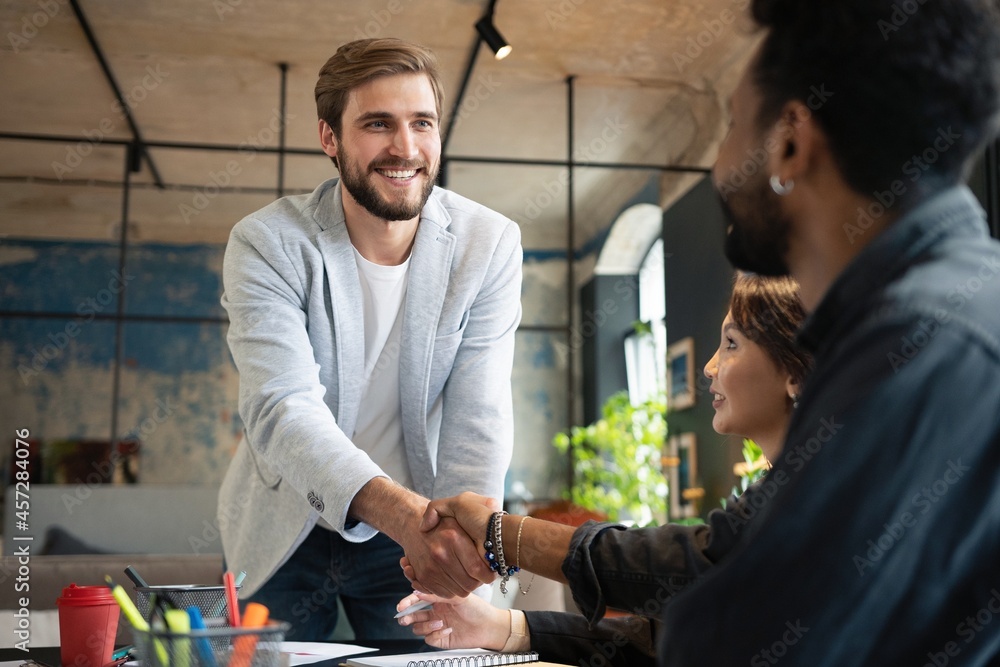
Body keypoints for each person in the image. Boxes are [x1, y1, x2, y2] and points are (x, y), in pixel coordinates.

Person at [412, 0, 1000, 662]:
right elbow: (719, 556)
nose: (719, 164)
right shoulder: (932, 320)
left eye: (730, 126)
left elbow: (738, 629)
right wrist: (502, 541)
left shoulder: (918, 346)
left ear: (788, 143)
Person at [217, 37, 522, 640]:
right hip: (284, 524)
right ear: (330, 138)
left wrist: (469, 558)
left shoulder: (489, 244)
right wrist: (409, 517)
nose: (405, 148)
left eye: (422, 123)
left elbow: (478, 413)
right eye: (378, 124)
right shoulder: (267, 244)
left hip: (412, 537)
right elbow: (283, 409)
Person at [396, 273, 813, 666]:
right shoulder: (791, 483)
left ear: (794, 370)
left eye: (731, 344)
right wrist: (502, 627)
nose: (709, 367)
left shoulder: (811, 491)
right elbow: (670, 636)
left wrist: (499, 533)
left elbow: (693, 567)